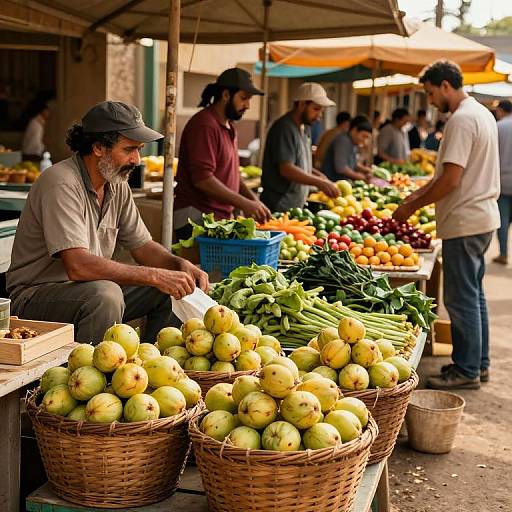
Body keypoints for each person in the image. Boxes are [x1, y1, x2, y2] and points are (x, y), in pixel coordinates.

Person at [7, 101, 209, 343]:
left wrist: (178, 265)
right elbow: (78, 266)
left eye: (139, 150)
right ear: (99, 147)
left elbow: (142, 246)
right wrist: (155, 275)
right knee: (106, 294)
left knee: (172, 288)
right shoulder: (60, 182)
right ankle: (86, 375)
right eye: (129, 149)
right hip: (35, 296)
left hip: (88, 289)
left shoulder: (117, 184)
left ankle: (156, 365)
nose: (137, 160)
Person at [393, 61, 500, 390]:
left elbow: (451, 180)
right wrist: (415, 195)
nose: (429, 101)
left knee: (460, 298)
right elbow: (445, 177)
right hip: (481, 218)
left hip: (464, 221)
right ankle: (477, 364)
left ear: (444, 86)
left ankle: (466, 369)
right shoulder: (481, 113)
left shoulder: (461, 120)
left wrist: (411, 205)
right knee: (474, 295)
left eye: (429, 93)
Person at [173, 68, 271, 240]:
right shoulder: (205, 125)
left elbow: (233, 177)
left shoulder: (228, 127)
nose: (247, 105)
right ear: (226, 95)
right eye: (244, 98)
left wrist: (254, 201)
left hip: (216, 218)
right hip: (195, 218)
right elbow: (203, 180)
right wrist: (244, 203)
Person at [260, 83, 340, 212]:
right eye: (316, 109)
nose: (319, 116)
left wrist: (320, 177)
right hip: (279, 205)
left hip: (294, 205)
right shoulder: (284, 128)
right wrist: (319, 182)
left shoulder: (305, 128)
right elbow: (286, 169)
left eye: (321, 111)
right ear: (302, 104)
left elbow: (302, 165)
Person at [321, 115, 373, 182]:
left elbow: (353, 163)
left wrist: (367, 170)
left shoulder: (353, 142)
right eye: (364, 136)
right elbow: (341, 168)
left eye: (367, 138)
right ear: (354, 130)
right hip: (332, 182)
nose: (365, 141)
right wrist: (361, 177)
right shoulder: (343, 141)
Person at [493, 99, 512, 264]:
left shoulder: (498, 127)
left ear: (501, 110)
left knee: (503, 220)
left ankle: (503, 254)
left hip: (503, 180)